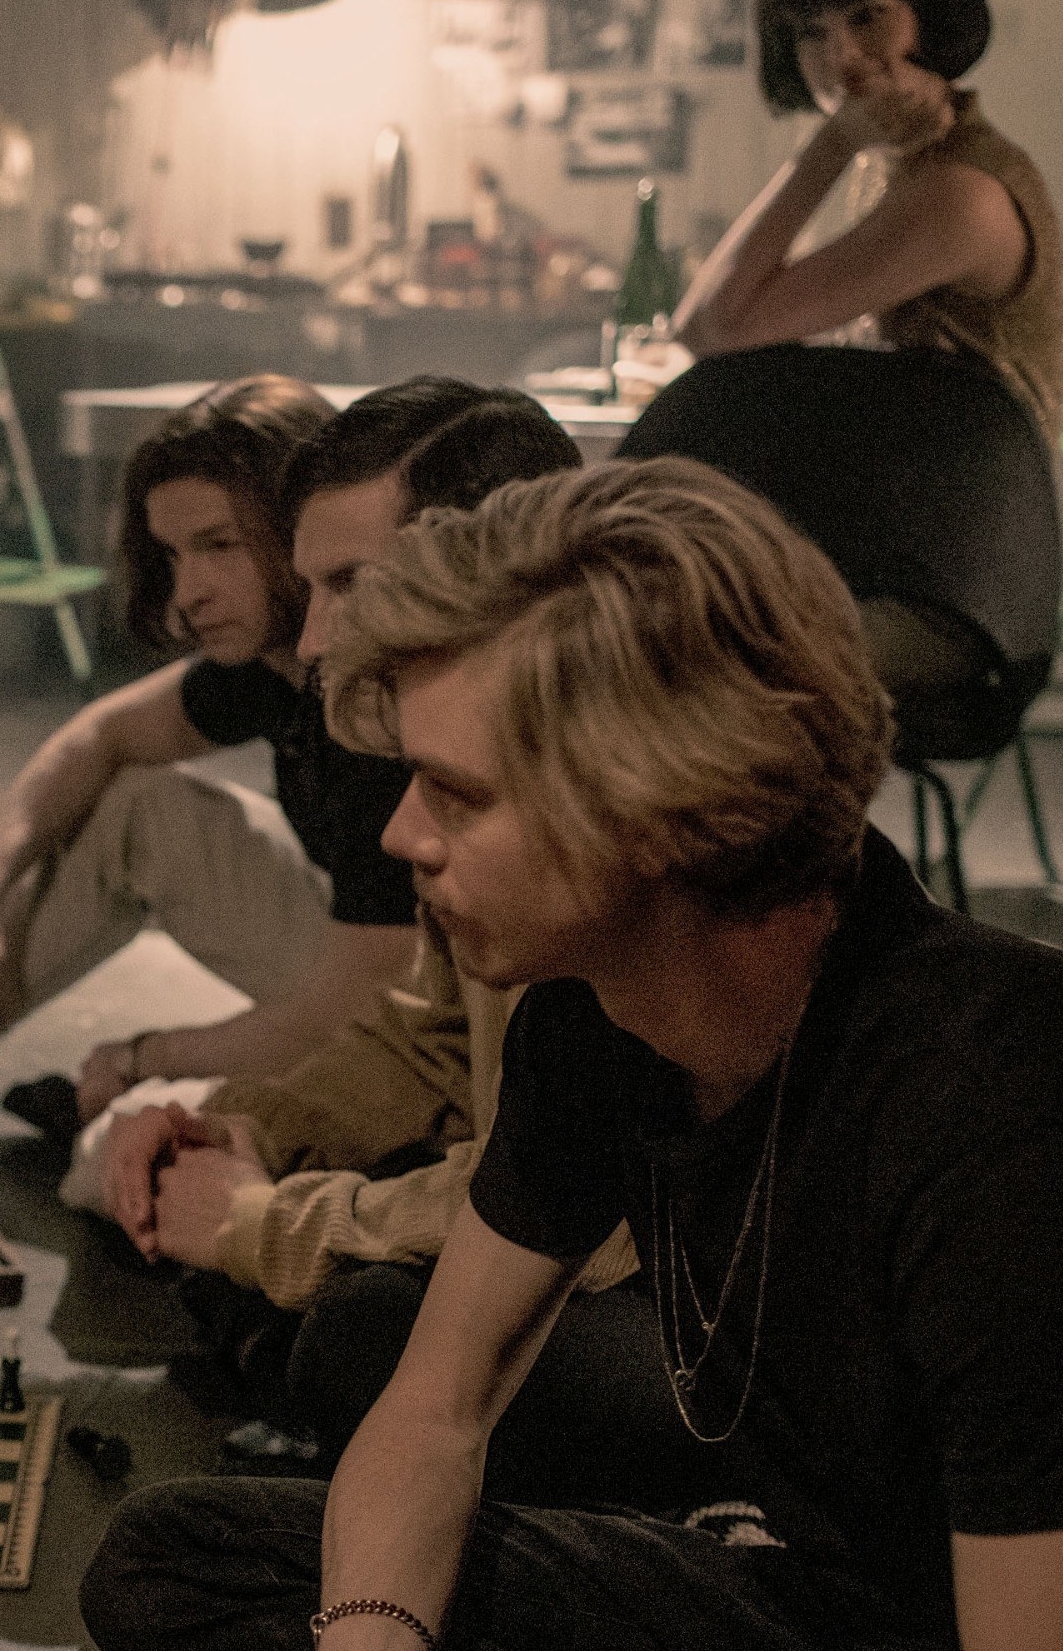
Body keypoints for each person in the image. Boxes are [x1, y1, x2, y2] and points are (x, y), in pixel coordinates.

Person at [81, 459, 1063, 1651]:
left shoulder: (1028, 1118)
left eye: (456, 794)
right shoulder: (599, 1014)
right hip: (839, 1623)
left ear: (665, 809)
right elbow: (436, 1408)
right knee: (181, 1564)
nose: (399, 834)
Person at [80, 383, 713, 1511]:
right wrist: (252, 1119)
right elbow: (426, 1036)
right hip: (539, 1209)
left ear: (503, 564)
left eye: (348, 587)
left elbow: (584, 1204)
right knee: (232, 1230)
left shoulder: (612, 799)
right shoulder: (475, 748)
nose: (314, 637)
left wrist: (266, 1225)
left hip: (680, 1308)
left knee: (356, 1328)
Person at [0, 375, 417, 1134]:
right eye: (173, 554)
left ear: (299, 528)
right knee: (137, 803)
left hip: (421, 1039)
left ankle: (119, 1105)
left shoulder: (374, 703)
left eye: (220, 546)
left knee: (127, 1165)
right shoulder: (275, 657)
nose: (189, 594)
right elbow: (99, 735)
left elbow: (350, 1012)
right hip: (359, 975)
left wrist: (143, 1055)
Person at [675, 0, 1063, 442]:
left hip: (968, 509)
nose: (840, 57)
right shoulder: (908, 158)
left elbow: (711, 329)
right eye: (812, 32)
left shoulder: (962, 191)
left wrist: (834, 143)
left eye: (867, 16)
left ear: (928, 17)